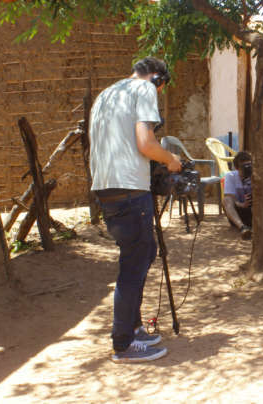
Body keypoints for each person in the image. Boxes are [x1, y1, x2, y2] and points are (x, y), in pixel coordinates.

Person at [89, 56, 181, 362]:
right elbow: (145, 142)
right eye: (162, 87)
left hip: (106, 189)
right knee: (133, 265)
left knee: (142, 253)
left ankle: (134, 326)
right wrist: (170, 160)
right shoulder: (144, 90)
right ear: (157, 79)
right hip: (130, 188)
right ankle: (124, 343)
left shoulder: (107, 94)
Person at [223, 151, 253, 239]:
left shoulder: (256, 175)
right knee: (226, 200)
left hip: (255, 212)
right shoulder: (230, 176)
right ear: (236, 168)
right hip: (238, 213)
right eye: (244, 167)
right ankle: (243, 228)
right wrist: (242, 205)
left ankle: (256, 228)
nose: (247, 168)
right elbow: (230, 197)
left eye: (249, 165)